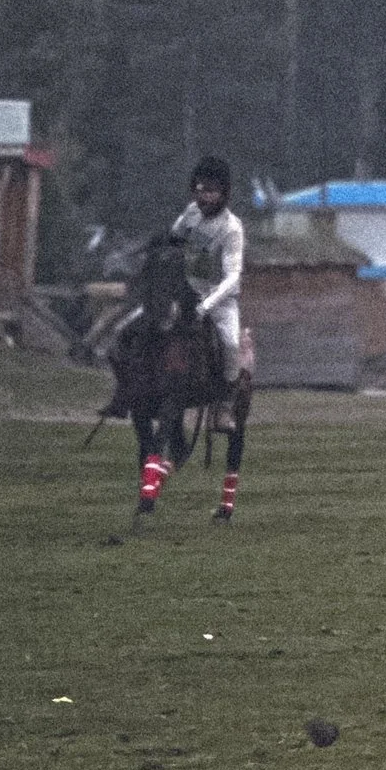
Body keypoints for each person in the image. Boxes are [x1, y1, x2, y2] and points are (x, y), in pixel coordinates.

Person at [170, 155, 252, 517]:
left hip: (219, 303)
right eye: (201, 189)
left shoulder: (232, 228)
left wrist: (208, 304)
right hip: (186, 295)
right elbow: (171, 246)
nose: (205, 196)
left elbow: (233, 276)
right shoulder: (188, 215)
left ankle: (224, 405)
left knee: (232, 345)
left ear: (224, 194)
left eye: (212, 191)